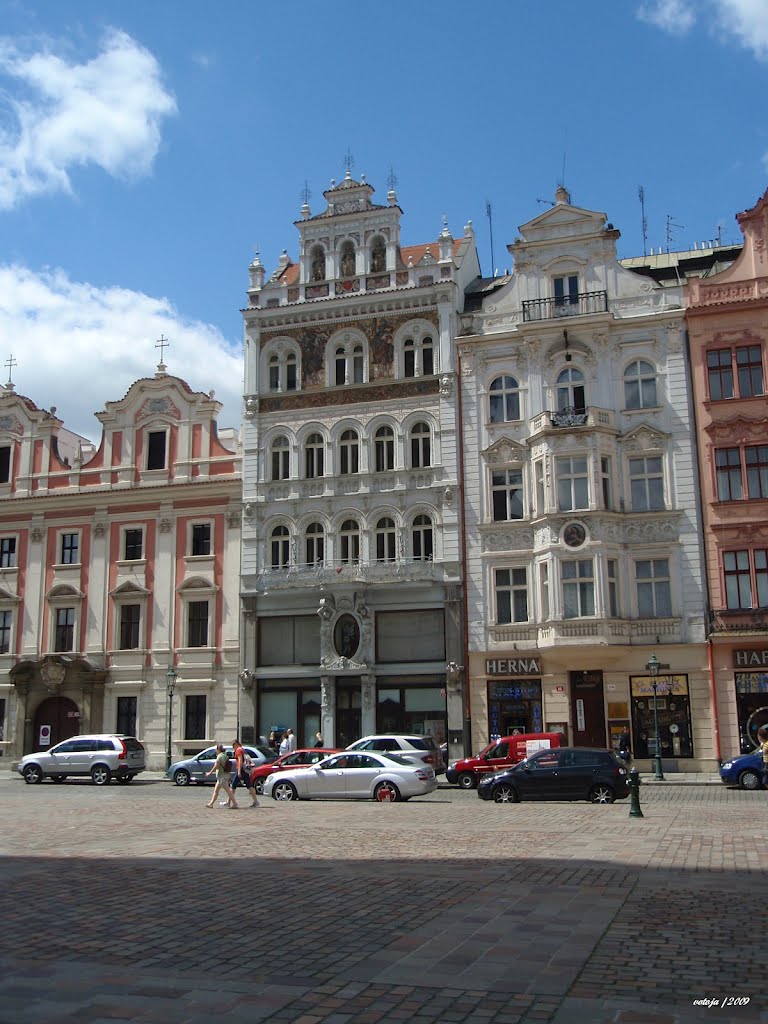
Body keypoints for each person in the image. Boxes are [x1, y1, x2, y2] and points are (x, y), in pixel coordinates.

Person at [205, 743, 238, 809]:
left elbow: (216, 766)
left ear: (218, 749)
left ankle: (235, 803)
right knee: (216, 791)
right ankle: (211, 803)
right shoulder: (225, 756)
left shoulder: (219, 756)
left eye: (216, 749)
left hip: (222, 776)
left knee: (228, 791)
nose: (215, 751)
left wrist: (209, 773)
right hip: (224, 775)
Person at [232, 739, 259, 808]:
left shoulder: (238, 750)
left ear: (236, 744)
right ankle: (256, 801)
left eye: (233, 745)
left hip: (241, 769)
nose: (233, 747)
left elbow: (240, 760)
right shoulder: (243, 749)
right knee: (249, 785)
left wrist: (238, 771)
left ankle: (230, 802)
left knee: (233, 785)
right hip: (245, 769)